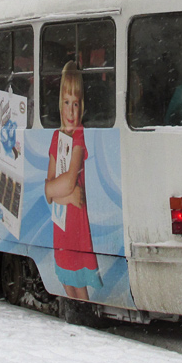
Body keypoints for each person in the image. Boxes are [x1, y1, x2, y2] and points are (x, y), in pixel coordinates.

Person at [45, 62, 102, 300]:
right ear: (60, 104)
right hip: (61, 225)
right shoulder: (56, 136)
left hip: (76, 228)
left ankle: (84, 328)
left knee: (80, 289)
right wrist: (66, 195)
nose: (71, 111)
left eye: (76, 104)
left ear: (82, 107)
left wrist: (57, 189)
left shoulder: (79, 135)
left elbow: (66, 181)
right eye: (67, 103)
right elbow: (48, 189)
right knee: (67, 284)